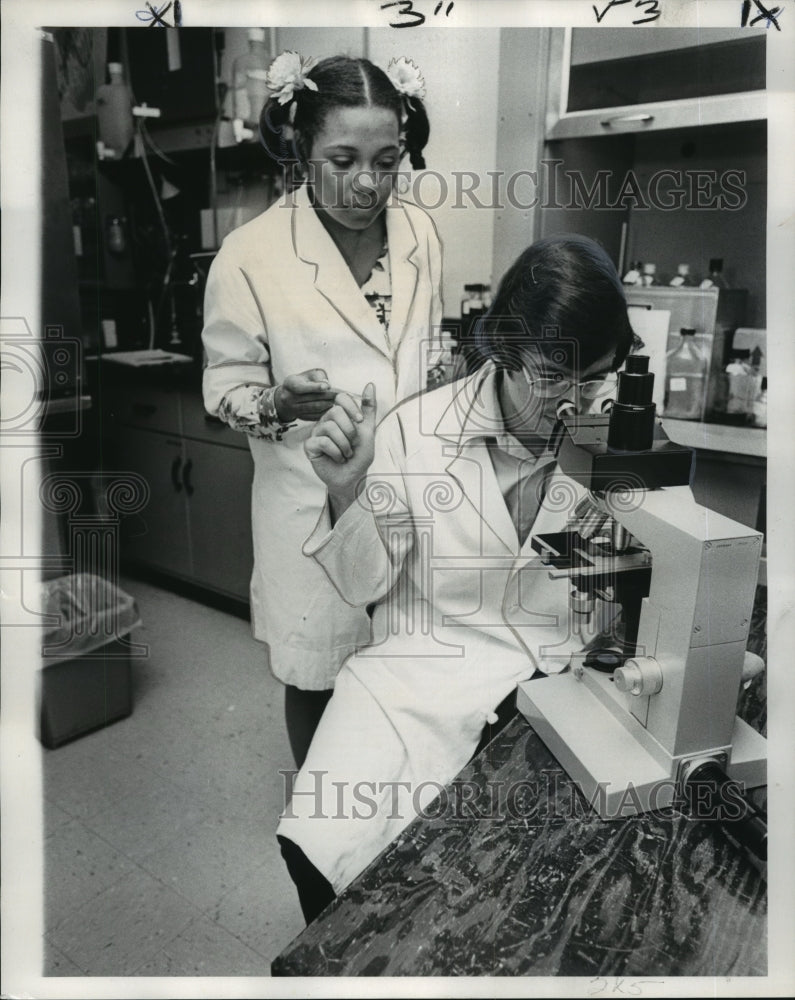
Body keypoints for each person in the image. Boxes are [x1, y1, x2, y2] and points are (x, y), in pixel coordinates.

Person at [276, 234, 637, 922]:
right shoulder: (419, 429)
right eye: (552, 376)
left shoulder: (623, 438)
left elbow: (641, 587)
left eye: (594, 376)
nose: (575, 401)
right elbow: (361, 584)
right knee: (318, 847)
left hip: (561, 682)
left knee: (508, 892)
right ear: (501, 351)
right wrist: (349, 491)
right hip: (416, 676)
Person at [201, 52, 442, 768]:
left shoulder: (421, 235)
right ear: (300, 148)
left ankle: (390, 821)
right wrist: (273, 401)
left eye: (386, 159)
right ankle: (321, 828)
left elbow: (422, 353)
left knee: (401, 663)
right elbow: (223, 387)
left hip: (405, 491)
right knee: (318, 670)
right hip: (308, 504)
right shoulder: (251, 255)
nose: (367, 182)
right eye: (342, 158)